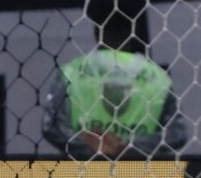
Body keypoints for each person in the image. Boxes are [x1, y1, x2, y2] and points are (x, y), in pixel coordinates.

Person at [43, 47, 187, 158]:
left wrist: (87, 143)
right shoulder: (158, 77)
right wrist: (128, 147)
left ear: (95, 29)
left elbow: (52, 126)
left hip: (79, 177)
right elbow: (176, 133)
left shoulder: (71, 72)